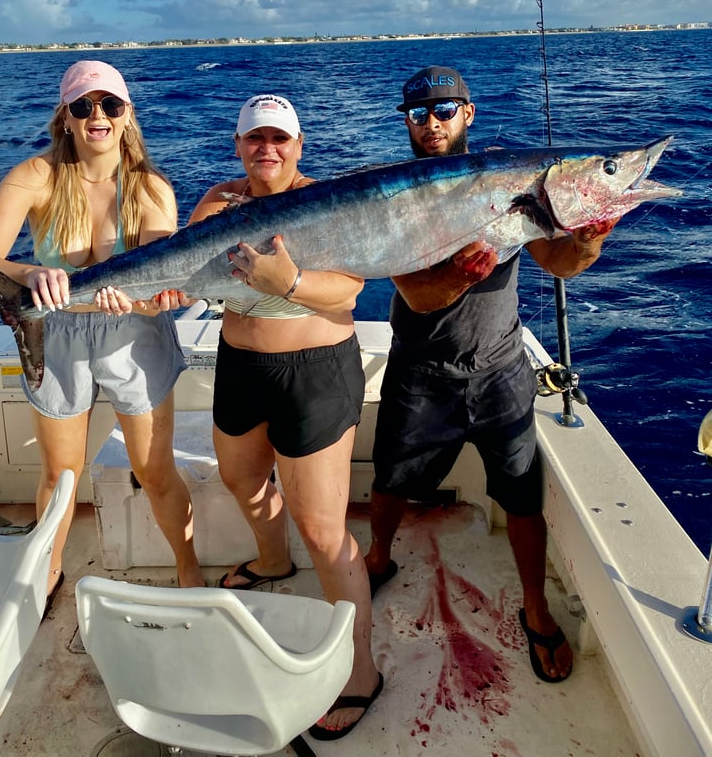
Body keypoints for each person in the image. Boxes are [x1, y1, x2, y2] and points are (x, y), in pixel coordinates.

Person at [364, 65, 619, 684]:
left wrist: (588, 242)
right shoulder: (395, 195)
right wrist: (462, 274)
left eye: (444, 111)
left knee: (521, 493)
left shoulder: (508, 183)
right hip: (420, 368)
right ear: (406, 121)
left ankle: (534, 606)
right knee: (392, 477)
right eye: (418, 113)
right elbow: (420, 297)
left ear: (469, 114)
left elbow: (558, 260)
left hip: (502, 368)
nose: (431, 123)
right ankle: (375, 560)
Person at [0, 59, 205, 606]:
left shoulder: (149, 187)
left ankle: (188, 571)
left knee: (155, 470)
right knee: (59, 474)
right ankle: (46, 577)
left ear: (127, 116)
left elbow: (160, 277)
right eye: (83, 106)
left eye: (110, 105)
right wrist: (29, 273)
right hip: (58, 331)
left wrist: (150, 299)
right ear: (66, 118)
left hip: (134, 332)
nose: (98, 115)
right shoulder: (36, 176)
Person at [183, 93, 382, 740]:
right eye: (254, 139)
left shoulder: (324, 202)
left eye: (280, 139)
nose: (267, 149)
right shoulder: (218, 201)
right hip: (241, 368)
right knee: (241, 479)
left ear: (300, 146)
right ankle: (272, 562)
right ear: (238, 145)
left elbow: (350, 287)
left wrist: (289, 284)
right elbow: (190, 270)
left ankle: (361, 671)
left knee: (324, 530)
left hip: (316, 373)